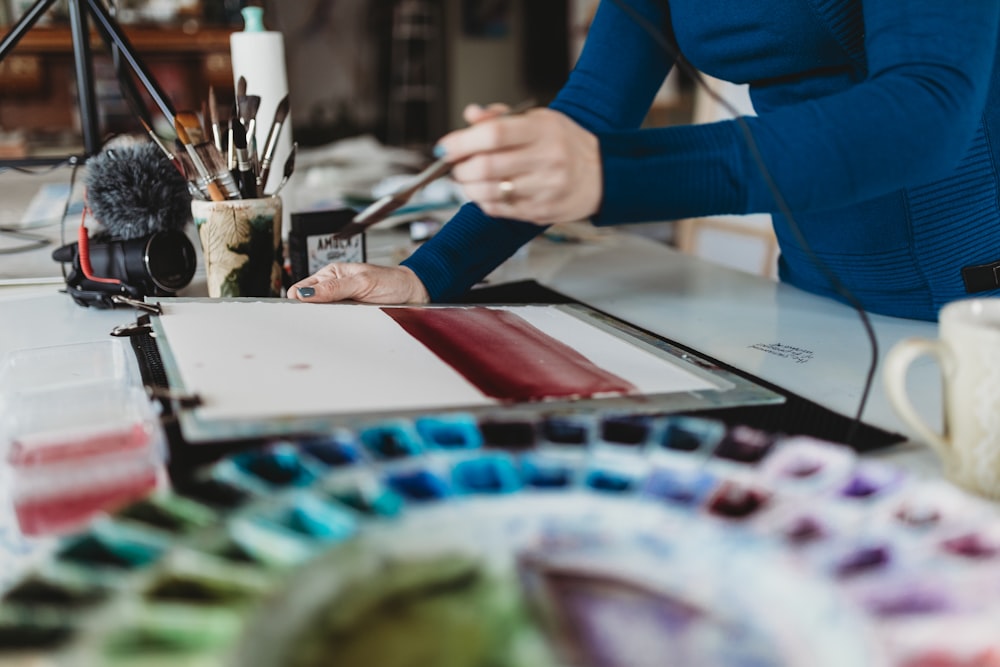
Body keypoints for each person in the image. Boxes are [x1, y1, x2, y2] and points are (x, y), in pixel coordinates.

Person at [289, 0, 1000, 322]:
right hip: (816, 289)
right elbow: (593, 111)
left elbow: (926, 109)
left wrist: (612, 175)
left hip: (973, 292)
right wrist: (429, 273)